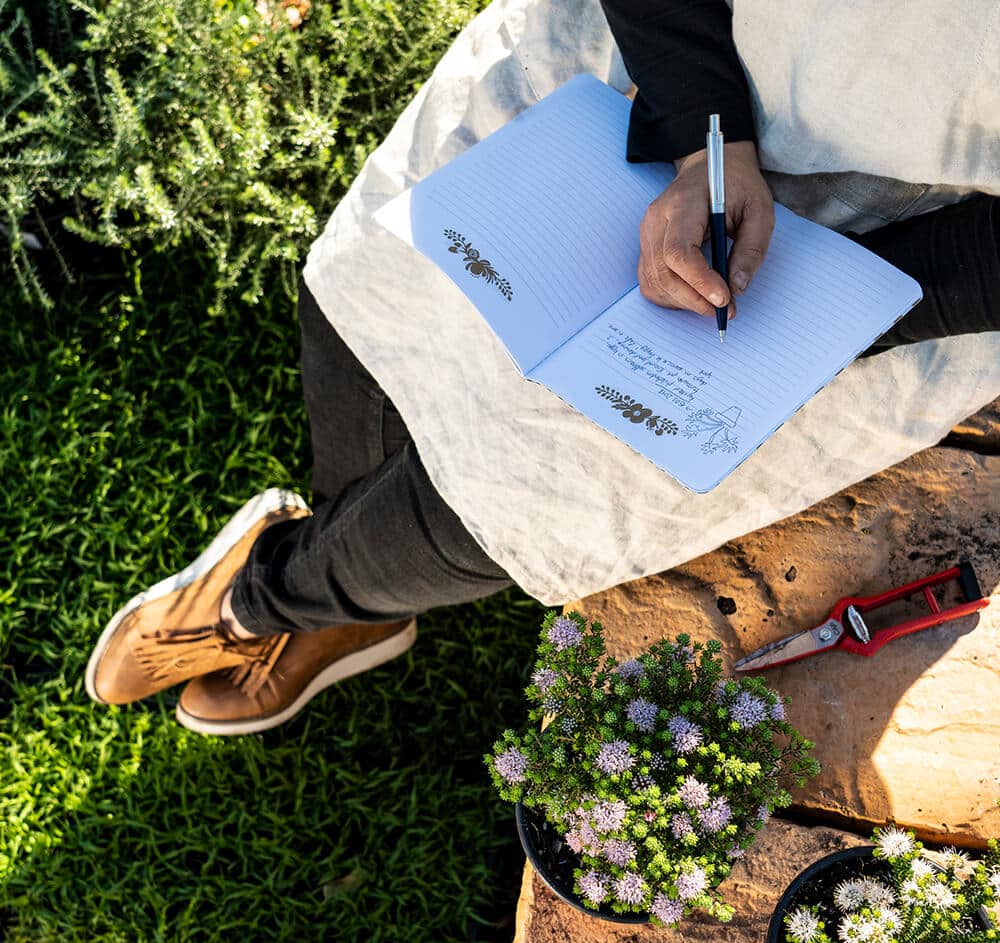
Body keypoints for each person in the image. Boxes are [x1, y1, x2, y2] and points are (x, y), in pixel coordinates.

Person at [86, 0, 1000, 736]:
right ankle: (342, 593)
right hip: (655, 58)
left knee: (532, 491)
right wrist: (702, 140)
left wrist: (835, 315)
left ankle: (260, 603)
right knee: (385, 297)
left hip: (897, 247)